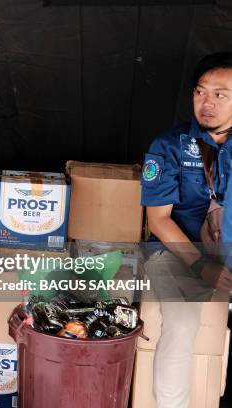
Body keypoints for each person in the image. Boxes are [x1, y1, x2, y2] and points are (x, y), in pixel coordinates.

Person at [141, 52, 232, 408]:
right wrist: (202, 266)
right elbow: (159, 220)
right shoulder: (168, 146)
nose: (207, 103)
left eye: (220, 94)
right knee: (181, 326)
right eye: (200, 92)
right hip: (175, 253)